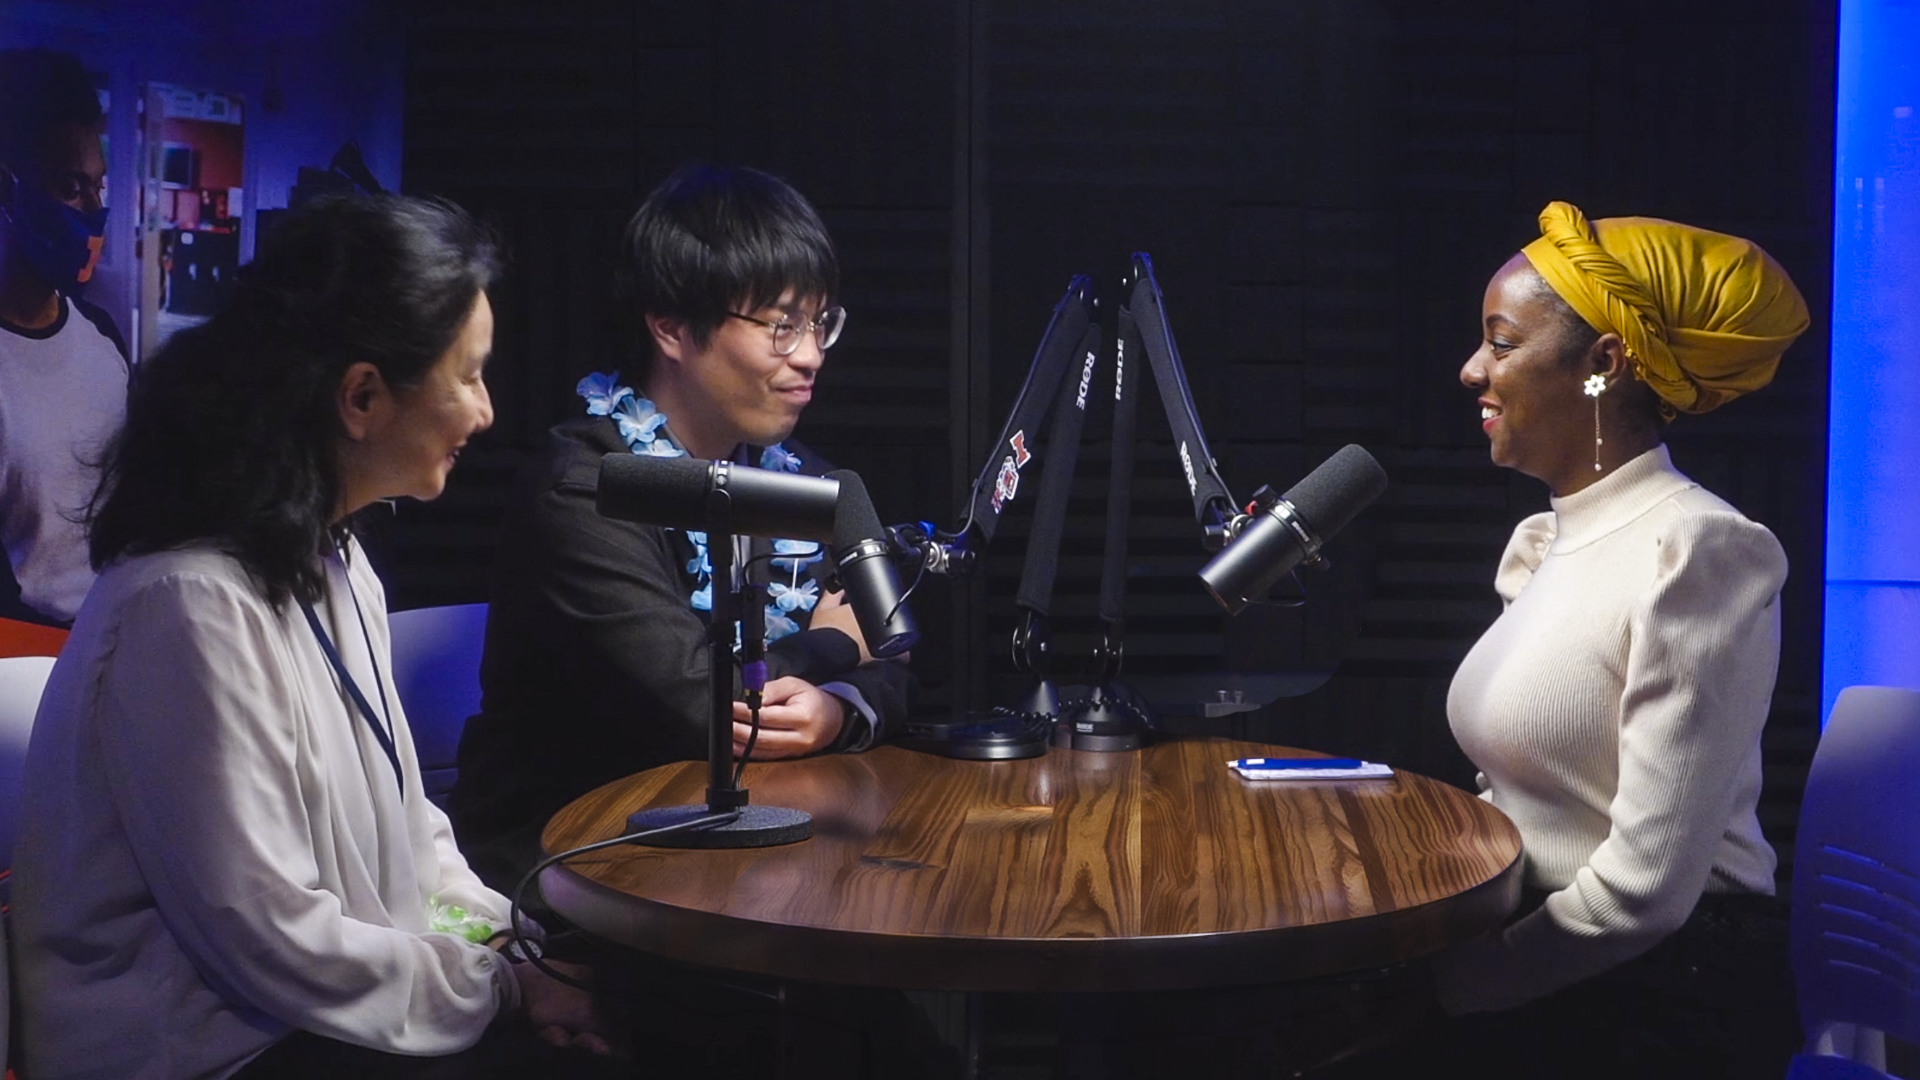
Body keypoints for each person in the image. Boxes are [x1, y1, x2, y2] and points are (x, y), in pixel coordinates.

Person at [12, 193, 624, 1080]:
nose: (486, 412)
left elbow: (413, 834)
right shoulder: (186, 604)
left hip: (309, 1015)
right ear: (363, 396)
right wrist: (503, 992)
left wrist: (513, 952)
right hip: (206, 1051)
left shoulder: (335, 562)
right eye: (470, 375)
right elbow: (268, 935)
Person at [1353, 200, 1808, 1077]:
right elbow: (1528, 793)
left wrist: (1454, 986)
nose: (1471, 370)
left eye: (1502, 342)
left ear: (1603, 365)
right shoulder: (1543, 544)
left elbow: (1644, 895)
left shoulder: (1700, 549)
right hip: (1547, 955)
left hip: (1661, 997)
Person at [450, 164, 914, 892]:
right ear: (670, 325)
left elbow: (897, 661)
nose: (812, 355)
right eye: (782, 325)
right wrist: (832, 643)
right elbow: (698, 704)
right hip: (581, 872)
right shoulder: (585, 488)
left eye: (821, 322)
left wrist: (839, 712)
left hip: (744, 855)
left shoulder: (797, 479)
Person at [0, 47, 127, 626]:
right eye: (71, 188)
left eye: (99, 187)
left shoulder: (102, 338)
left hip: (116, 639)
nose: (93, 211)